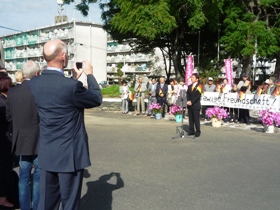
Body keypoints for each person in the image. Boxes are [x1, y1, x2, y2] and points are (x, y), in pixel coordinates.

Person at [28, 39, 102, 210]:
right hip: (69, 155)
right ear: (63, 56)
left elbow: (57, 93)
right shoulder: (71, 87)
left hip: (47, 153)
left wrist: (73, 79)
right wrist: (89, 74)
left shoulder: (34, 83)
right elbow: (96, 98)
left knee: (47, 203)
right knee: (69, 204)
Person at [6, 61, 41, 210]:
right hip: (39, 140)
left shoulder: (12, 92)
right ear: (37, 73)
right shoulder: (40, 91)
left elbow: (9, 117)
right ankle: (38, 206)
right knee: (39, 178)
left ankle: (25, 207)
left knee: (24, 178)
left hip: (21, 141)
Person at [0, 76, 14, 208]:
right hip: (5, 141)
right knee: (4, 171)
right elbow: (9, 121)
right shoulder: (4, 102)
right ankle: (2, 198)